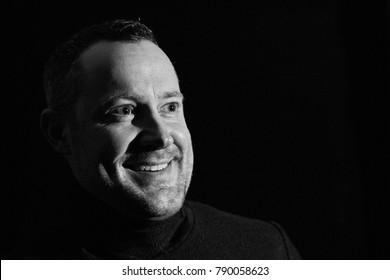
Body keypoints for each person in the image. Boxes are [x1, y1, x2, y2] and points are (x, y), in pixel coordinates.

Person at [11, 19, 300, 259]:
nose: (161, 136)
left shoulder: (265, 250)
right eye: (124, 111)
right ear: (58, 132)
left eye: (170, 107)